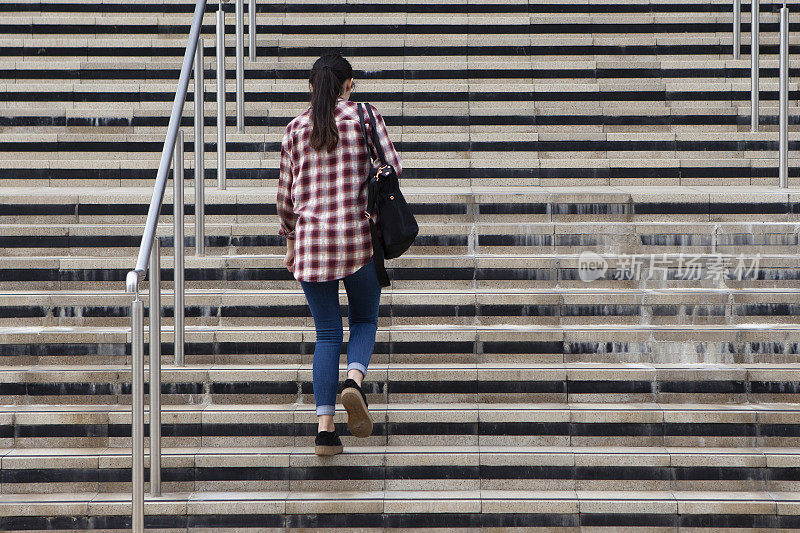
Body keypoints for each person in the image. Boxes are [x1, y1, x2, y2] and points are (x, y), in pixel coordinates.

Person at [276, 53, 403, 456]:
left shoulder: (295, 129)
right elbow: (392, 168)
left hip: (312, 244)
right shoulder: (364, 116)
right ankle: (354, 381)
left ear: (311, 87)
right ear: (350, 85)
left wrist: (290, 241)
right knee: (364, 317)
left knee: (327, 333)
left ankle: (325, 431)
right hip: (357, 240)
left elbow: (284, 199)